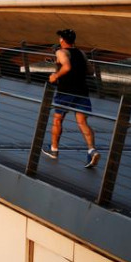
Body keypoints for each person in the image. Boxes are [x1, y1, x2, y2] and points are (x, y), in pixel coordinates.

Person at [43, 28, 101, 168]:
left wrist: (55, 76)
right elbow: (91, 71)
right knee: (82, 122)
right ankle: (91, 150)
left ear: (62, 40)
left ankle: (54, 150)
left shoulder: (61, 52)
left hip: (65, 92)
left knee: (58, 119)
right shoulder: (81, 53)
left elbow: (67, 66)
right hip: (81, 91)